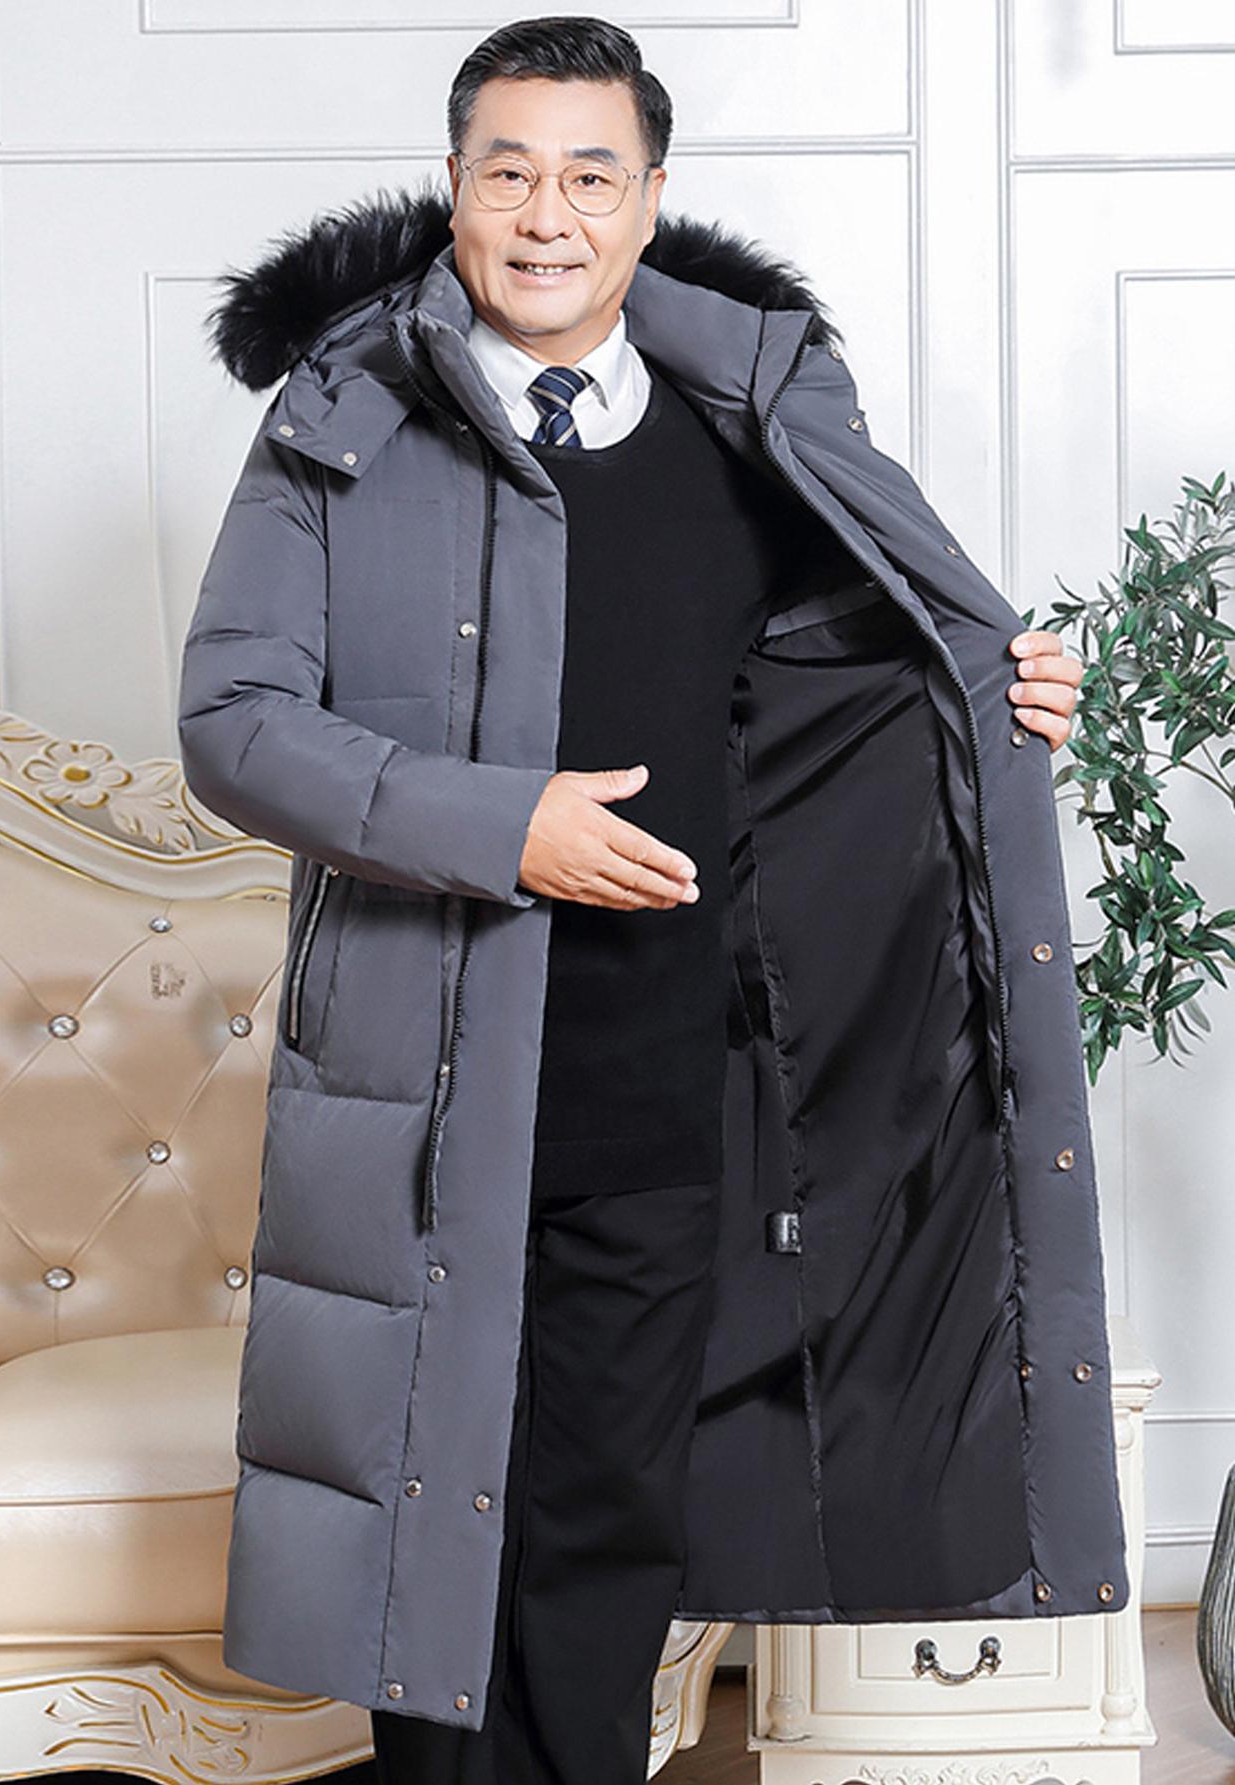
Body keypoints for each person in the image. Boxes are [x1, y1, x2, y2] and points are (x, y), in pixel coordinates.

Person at [184, 17, 1087, 1784]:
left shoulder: (754, 423)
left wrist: (1000, 689)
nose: (548, 214)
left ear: (651, 199)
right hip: (424, 1089)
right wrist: (501, 823)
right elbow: (232, 725)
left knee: (603, 1543)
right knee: (431, 1555)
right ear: (454, 190)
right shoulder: (341, 424)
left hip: (663, 1089)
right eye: (509, 171)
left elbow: (854, 671)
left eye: (590, 175)